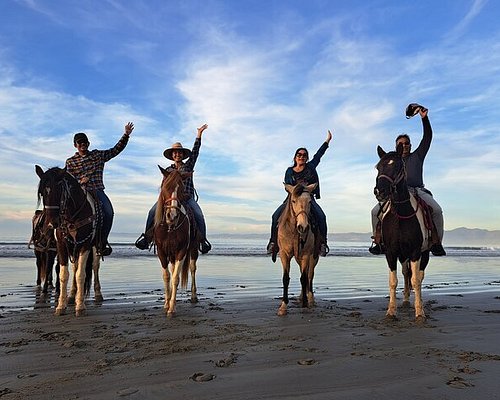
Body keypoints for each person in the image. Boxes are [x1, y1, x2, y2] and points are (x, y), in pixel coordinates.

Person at [369, 104, 446, 256]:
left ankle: (437, 243)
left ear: (410, 145)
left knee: (436, 210)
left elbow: (427, 138)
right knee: (374, 211)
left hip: (417, 190)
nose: (404, 146)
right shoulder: (393, 161)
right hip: (397, 193)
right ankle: (378, 241)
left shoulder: (417, 156)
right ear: (396, 146)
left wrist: (424, 119)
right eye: (400, 144)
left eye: (406, 143)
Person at [135, 124, 211, 254]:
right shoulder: (168, 171)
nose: (177, 154)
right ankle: (147, 238)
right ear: (172, 155)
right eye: (175, 152)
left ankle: (202, 240)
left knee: (198, 214)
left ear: (183, 155)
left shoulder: (188, 166)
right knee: (152, 212)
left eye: (180, 152)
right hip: (170, 199)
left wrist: (199, 135)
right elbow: (164, 188)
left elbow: (195, 153)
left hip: (186, 198)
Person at [65, 122, 134, 256]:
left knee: (109, 212)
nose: (82, 145)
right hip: (78, 193)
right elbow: (69, 180)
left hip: (96, 190)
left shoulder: (98, 155)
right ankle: (61, 239)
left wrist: (126, 135)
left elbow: (115, 150)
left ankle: (102, 242)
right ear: (75, 145)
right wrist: (80, 181)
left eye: (84, 142)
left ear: (88, 144)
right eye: (79, 143)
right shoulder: (70, 162)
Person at [267, 130, 333, 260]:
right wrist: (291, 189)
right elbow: (287, 185)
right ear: (295, 157)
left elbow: (319, 155)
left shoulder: (311, 167)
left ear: (306, 158)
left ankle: (323, 243)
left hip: (308, 198)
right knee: (275, 216)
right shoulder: (289, 171)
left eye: (304, 155)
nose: (301, 157)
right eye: (299, 154)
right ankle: (273, 242)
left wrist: (327, 142)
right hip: (292, 199)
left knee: (321, 216)